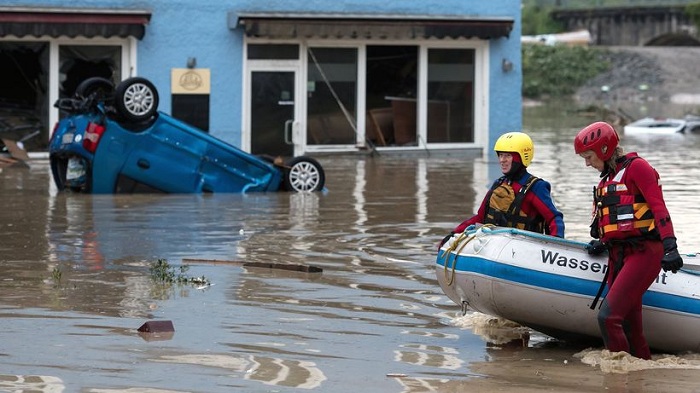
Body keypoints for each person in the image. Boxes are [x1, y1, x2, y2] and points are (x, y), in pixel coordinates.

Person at [574, 121, 683, 360]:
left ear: (604, 150)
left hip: (644, 253)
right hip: (618, 255)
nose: (587, 163)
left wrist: (670, 246)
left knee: (608, 318)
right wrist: (603, 243)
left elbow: (658, 208)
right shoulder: (606, 180)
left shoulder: (638, 168)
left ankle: (618, 376)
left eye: (589, 156)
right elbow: (617, 222)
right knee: (630, 326)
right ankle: (638, 375)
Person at [441, 131, 565, 246]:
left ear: (521, 157)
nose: (502, 160)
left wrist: (556, 244)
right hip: (496, 248)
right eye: (500, 155)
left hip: (525, 248)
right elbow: (480, 218)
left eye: (507, 156)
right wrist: (454, 234)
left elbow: (554, 219)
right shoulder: (499, 184)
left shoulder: (537, 187)